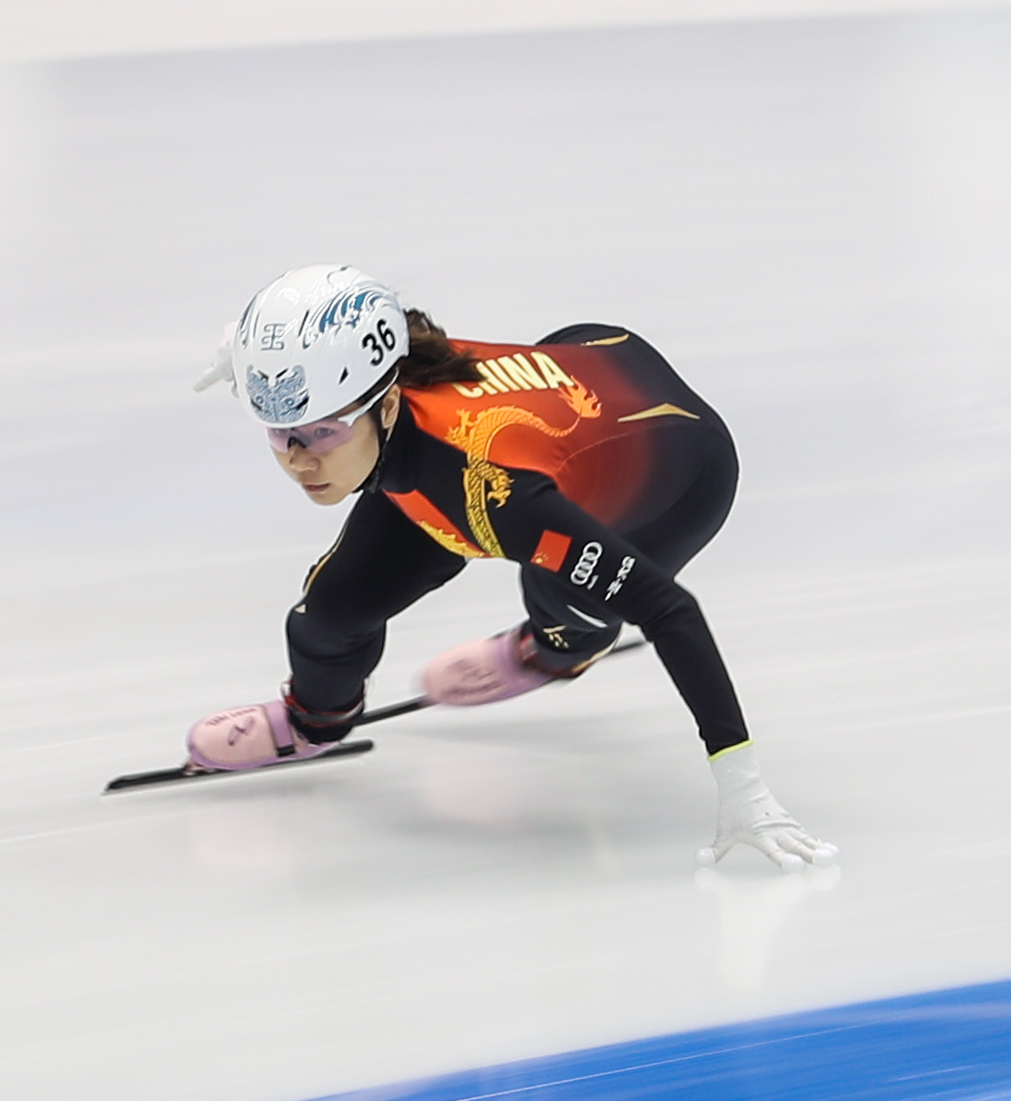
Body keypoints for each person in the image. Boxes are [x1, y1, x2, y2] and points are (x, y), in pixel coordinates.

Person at [185, 263, 834, 872]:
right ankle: (313, 721)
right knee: (331, 608)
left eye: (322, 431)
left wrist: (742, 786)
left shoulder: (494, 493)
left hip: (678, 465)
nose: (299, 460)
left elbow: (669, 610)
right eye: (279, 432)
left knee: (561, 590)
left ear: (385, 405)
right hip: (585, 362)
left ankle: (554, 649)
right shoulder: (369, 382)